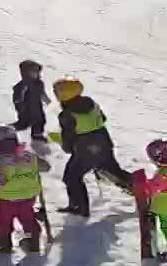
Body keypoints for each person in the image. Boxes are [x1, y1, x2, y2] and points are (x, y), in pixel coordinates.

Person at [53, 77, 133, 216]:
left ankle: (79, 208)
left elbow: (68, 139)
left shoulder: (66, 115)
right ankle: (138, 188)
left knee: (72, 177)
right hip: (103, 142)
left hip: (86, 149)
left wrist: (67, 146)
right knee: (113, 170)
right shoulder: (90, 102)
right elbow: (103, 119)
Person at [0, 125, 50, 254]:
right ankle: (34, 241)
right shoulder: (29, 156)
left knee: (3, 221)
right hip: (29, 196)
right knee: (28, 218)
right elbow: (46, 167)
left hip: (9, 199)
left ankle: (4, 243)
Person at [10, 59, 49, 141]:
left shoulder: (39, 83)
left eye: (38, 72)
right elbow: (17, 96)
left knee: (41, 120)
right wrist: (19, 106)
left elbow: (42, 93)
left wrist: (47, 100)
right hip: (26, 109)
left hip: (37, 107)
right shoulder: (23, 85)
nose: (38, 74)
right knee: (25, 123)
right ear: (26, 73)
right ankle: (7, 130)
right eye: (35, 71)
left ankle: (37, 135)